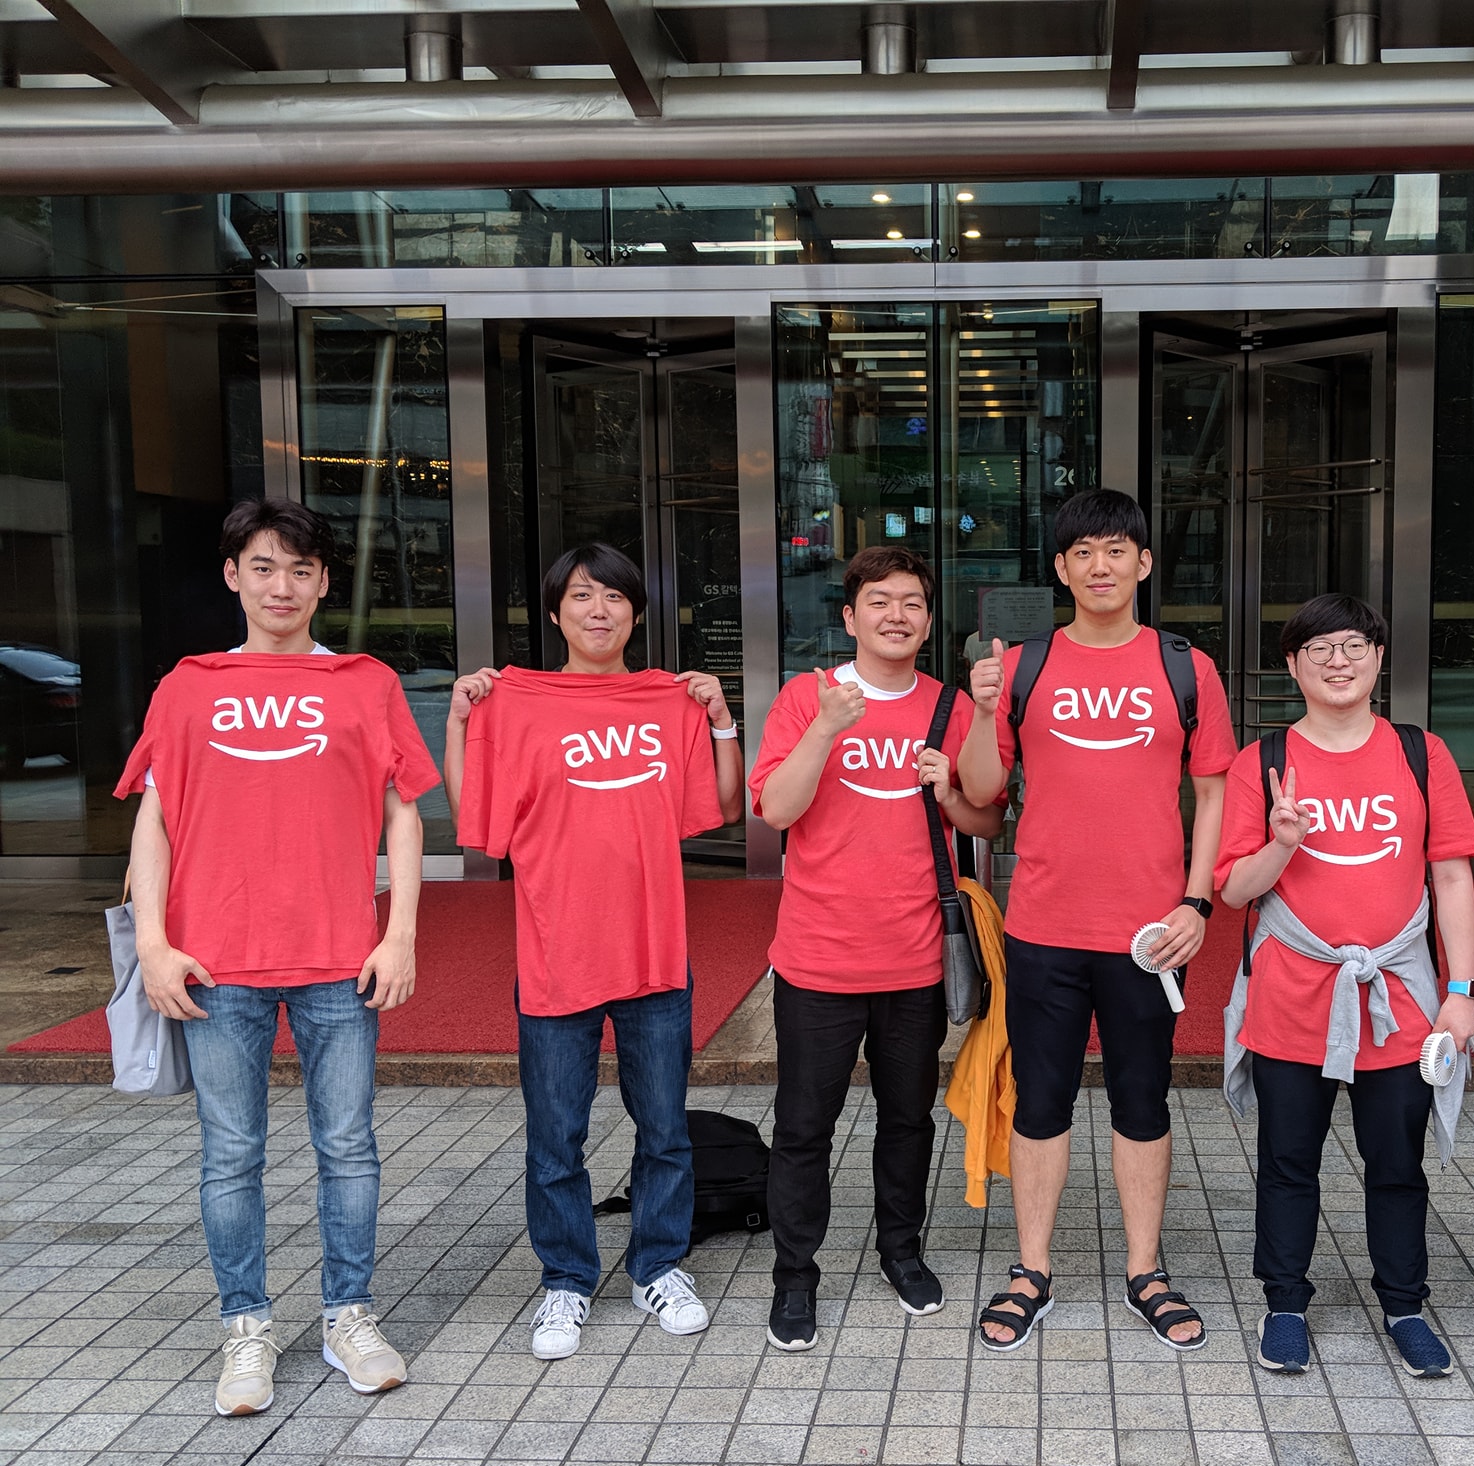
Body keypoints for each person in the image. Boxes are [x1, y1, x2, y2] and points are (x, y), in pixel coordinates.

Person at [118, 497, 438, 1416]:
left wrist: (401, 933)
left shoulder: (366, 684)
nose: (281, 586)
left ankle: (348, 1316)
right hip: (216, 962)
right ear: (233, 576)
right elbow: (154, 820)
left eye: (300, 570)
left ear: (325, 582)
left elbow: (405, 812)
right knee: (231, 1154)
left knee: (349, 1148)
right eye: (263, 567)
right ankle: (246, 1327)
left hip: (340, 955)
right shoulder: (188, 685)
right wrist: (153, 943)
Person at [444, 542, 743, 1362]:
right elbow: (473, 814)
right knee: (555, 1139)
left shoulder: (666, 702)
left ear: (636, 613)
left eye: (614, 596)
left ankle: (658, 1267)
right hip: (555, 954)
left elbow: (721, 807)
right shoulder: (517, 704)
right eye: (581, 596)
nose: (598, 610)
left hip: (654, 952)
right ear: (555, 613)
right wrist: (460, 720)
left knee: (666, 1131)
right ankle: (566, 1280)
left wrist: (720, 718)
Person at [957, 487, 1236, 1353]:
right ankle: (1031, 1270)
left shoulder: (1186, 667)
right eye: (1083, 552)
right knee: (1039, 1100)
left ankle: (1145, 1270)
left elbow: (1214, 792)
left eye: (1117, 549)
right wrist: (982, 706)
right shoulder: (1025, 666)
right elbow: (982, 792)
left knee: (1141, 1100)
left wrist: (1197, 901)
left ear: (1144, 563)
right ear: (1060, 568)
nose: (1101, 565)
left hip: (1149, 935)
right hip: (1042, 926)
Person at [1214, 593, 1474, 1379]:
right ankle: (1284, 1304)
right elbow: (1234, 889)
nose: (1339, 661)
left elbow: (1453, 877)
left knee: (1397, 1164)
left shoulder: (1420, 752)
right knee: (1287, 1162)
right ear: (1292, 665)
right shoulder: (1262, 761)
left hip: (1399, 996)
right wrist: (1281, 843)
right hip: (1291, 993)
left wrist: (1461, 988)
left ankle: (1404, 1304)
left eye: (1354, 645)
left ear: (1378, 657)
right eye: (1319, 649)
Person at [749, 546, 1005, 1351]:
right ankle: (796, 1275)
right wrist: (827, 728)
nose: (897, 616)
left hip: (916, 957)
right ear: (851, 616)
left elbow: (987, 819)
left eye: (912, 604)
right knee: (803, 1126)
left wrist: (949, 790)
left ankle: (902, 1250)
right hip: (818, 959)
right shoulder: (807, 697)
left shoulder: (948, 706)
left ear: (928, 622)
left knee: (907, 1119)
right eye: (880, 601)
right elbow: (776, 811)